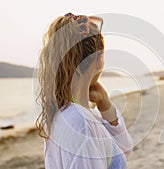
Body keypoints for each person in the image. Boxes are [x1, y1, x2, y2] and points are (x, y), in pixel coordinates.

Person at [36, 13, 133, 169]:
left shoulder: (68, 114)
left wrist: (104, 103)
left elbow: (125, 147)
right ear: (99, 59)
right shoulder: (82, 124)